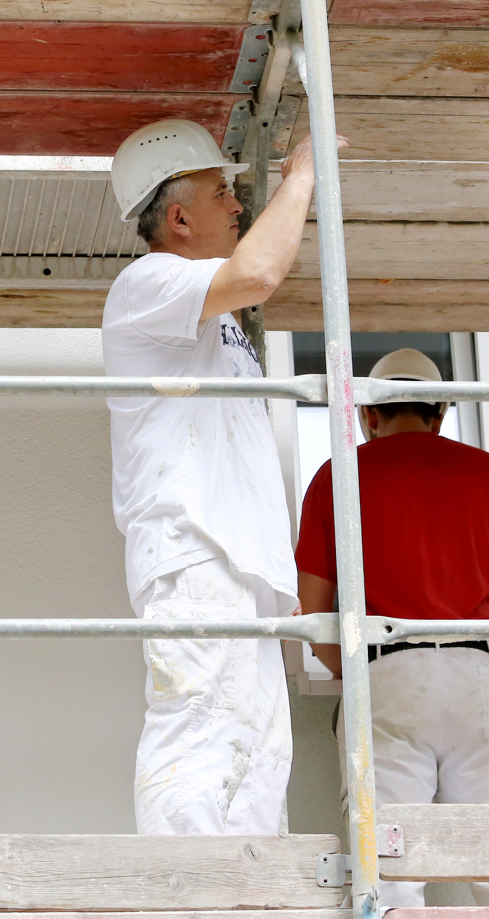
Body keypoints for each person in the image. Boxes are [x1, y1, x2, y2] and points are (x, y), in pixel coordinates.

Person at [101, 116, 331, 835]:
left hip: (238, 569)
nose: (237, 205)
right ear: (177, 217)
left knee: (255, 764)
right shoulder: (149, 281)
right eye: (221, 192)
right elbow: (259, 271)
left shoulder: (213, 317)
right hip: (197, 555)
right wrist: (302, 175)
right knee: (199, 747)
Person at [294, 347, 489, 910]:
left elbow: (314, 616)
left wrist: (353, 672)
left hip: (385, 673)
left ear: (368, 415)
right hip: (478, 671)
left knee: (389, 878)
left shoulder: (337, 477)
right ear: (441, 414)